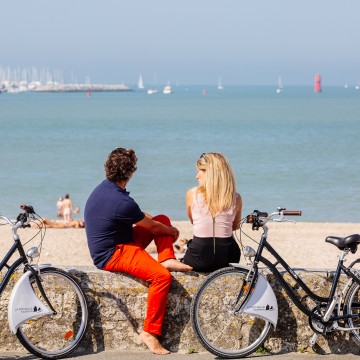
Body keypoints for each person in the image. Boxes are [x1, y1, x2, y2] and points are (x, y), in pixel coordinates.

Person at [84, 147, 192, 355]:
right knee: (162, 277)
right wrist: (172, 231)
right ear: (131, 172)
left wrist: (163, 227)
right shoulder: (122, 201)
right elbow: (150, 227)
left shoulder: (105, 189)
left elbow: (142, 217)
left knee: (161, 219)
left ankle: (167, 257)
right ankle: (150, 333)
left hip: (122, 240)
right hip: (112, 253)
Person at [182, 152, 242, 272]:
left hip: (198, 259)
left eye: (200, 171)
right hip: (228, 259)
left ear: (209, 174)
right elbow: (235, 227)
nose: (197, 176)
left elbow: (193, 221)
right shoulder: (235, 197)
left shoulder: (192, 194)